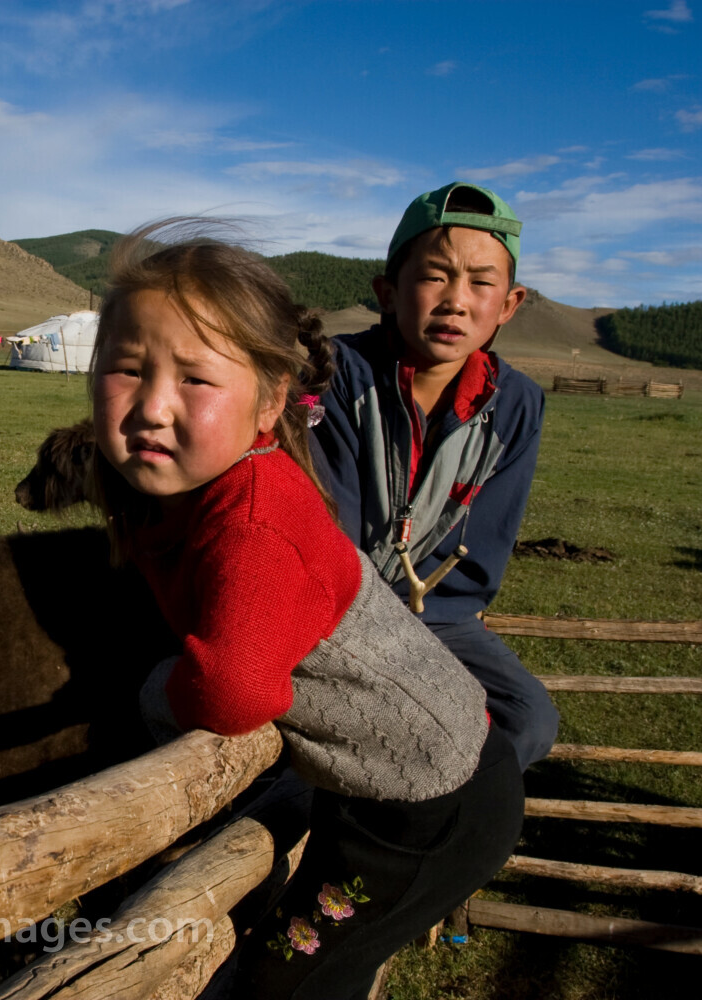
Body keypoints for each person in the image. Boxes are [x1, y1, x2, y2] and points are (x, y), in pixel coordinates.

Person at [88, 221, 524, 999]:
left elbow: (237, 691)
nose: (152, 406)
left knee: (288, 979)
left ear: (270, 402)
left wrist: (161, 687)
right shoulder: (205, 492)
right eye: (126, 368)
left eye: (194, 379)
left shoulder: (254, 519)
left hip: (433, 807)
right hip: (395, 791)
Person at [312, 181, 558, 772]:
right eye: (435, 276)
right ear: (388, 292)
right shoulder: (333, 373)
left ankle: (426, 832)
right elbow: (328, 533)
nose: (457, 301)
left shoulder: (517, 403)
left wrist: (424, 636)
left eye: (481, 282)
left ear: (510, 303)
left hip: (436, 616)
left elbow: (476, 563)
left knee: (527, 718)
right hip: (331, 608)